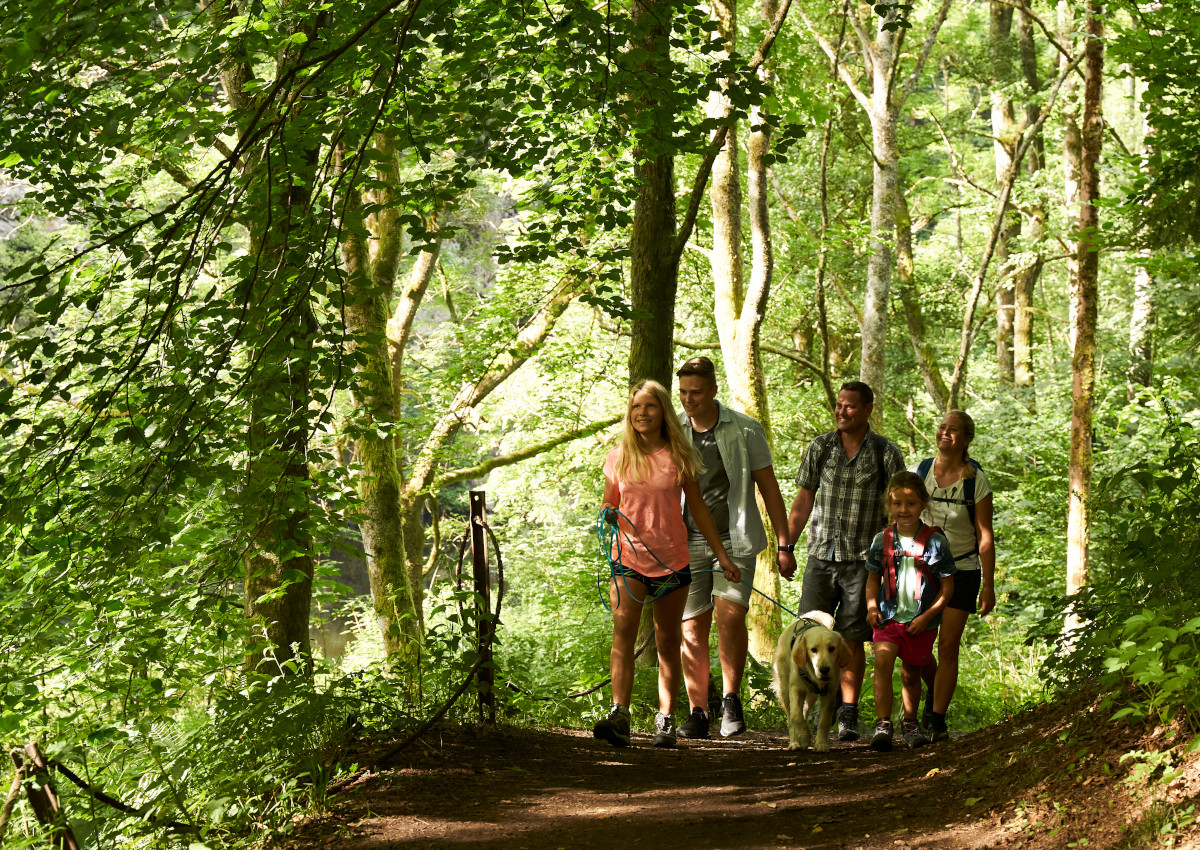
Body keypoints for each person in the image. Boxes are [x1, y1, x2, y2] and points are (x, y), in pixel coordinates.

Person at [593, 379, 741, 749]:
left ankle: (666, 718)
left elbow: (701, 510)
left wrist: (722, 557)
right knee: (623, 634)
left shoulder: (679, 456)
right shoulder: (617, 457)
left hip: (672, 560)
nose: (642, 413)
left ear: (663, 412)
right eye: (635, 407)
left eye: (650, 406)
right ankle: (620, 714)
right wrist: (609, 513)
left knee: (667, 639)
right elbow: (609, 501)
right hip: (627, 558)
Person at [673, 357, 796, 739]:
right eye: (683, 393)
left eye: (696, 392)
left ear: (713, 391)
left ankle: (730, 699)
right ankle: (697, 710)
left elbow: (768, 486)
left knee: (729, 616)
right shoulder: (672, 430)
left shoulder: (745, 429)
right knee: (691, 627)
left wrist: (784, 542)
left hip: (736, 537)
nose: (689, 400)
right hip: (685, 539)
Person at [786, 381, 906, 741]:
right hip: (821, 557)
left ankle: (847, 715)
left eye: (850, 406)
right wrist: (785, 546)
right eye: (839, 405)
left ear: (868, 408)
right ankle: (802, 713)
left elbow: (898, 510)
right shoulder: (820, 447)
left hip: (862, 563)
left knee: (852, 639)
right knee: (806, 634)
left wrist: (893, 560)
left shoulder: (885, 452)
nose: (842, 411)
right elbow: (804, 499)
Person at [912, 409, 996, 741]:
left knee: (947, 645)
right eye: (942, 427)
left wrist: (988, 585)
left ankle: (935, 717)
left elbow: (985, 536)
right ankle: (934, 689)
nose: (945, 433)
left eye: (954, 429)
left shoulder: (976, 479)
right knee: (916, 644)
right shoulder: (922, 471)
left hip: (963, 570)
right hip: (923, 571)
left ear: (966, 438)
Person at [865, 471, 956, 751]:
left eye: (911, 504)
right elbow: (872, 579)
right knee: (882, 663)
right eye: (897, 504)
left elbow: (947, 589)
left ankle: (910, 722)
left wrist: (927, 617)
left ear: (923, 505)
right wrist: (870, 607)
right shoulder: (882, 540)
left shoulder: (935, 542)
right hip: (887, 617)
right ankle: (883, 725)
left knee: (910, 673)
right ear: (889, 505)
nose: (904, 510)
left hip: (921, 622)